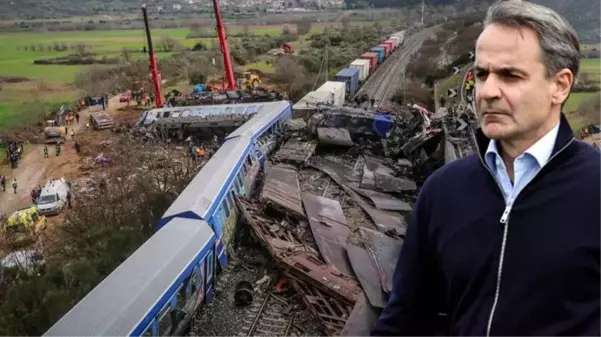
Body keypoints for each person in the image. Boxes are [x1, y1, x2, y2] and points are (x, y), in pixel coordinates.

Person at [371, 1, 601, 336]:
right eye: (481, 74)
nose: (487, 92)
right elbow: (406, 318)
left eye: (510, 75)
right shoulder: (443, 190)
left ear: (560, 85)